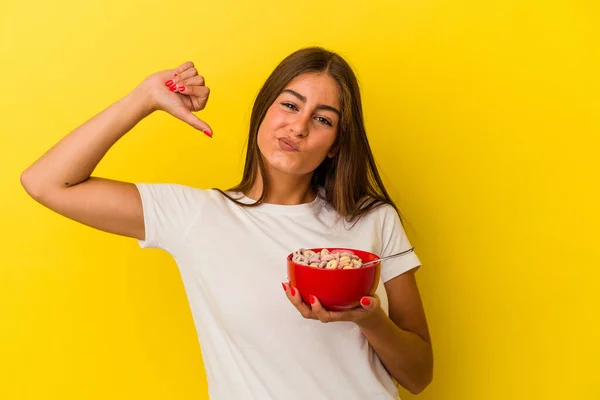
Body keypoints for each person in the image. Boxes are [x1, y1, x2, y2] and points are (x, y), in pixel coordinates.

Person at [21, 47, 433, 399]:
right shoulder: (196, 215)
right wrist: (145, 97)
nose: (299, 127)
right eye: (290, 105)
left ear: (336, 145)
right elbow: (45, 182)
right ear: (263, 111)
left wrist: (366, 316)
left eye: (323, 119)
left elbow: (419, 376)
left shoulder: (373, 220)